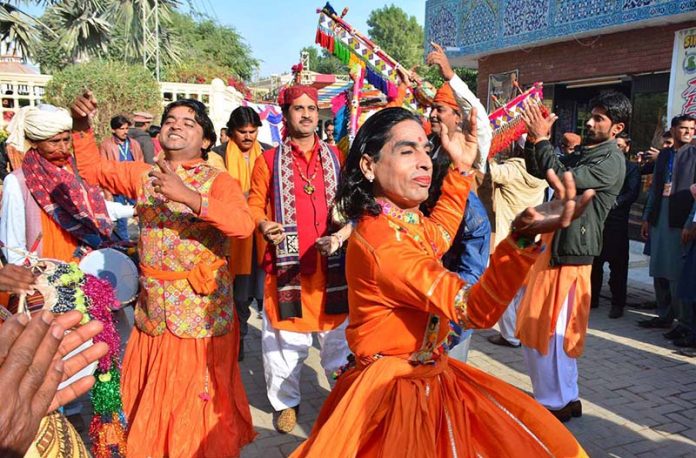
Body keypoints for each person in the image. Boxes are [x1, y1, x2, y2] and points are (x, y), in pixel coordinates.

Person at [290, 107, 591, 457]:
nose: (425, 161)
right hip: (397, 395)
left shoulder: (401, 221)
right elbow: (471, 309)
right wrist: (519, 241)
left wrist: (461, 170)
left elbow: (441, 232)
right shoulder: (385, 245)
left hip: (426, 378)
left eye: (424, 148)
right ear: (369, 166)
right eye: (406, 151)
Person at [71, 92, 256, 457]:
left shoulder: (218, 182)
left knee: (194, 402)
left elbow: (243, 225)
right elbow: (91, 171)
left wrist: (191, 197)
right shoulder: (144, 176)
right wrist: (81, 126)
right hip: (154, 311)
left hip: (200, 315)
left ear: (205, 141)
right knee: (151, 399)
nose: (177, 125)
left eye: (189, 123)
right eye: (171, 120)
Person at [516, 91, 628, 422]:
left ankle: (557, 402)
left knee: (552, 327)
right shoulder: (587, 153)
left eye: (599, 118)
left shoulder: (609, 161)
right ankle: (564, 396)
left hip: (571, 251)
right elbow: (541, 170)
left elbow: (562, 180)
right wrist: (532, 139)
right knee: (547, 324)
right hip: (557, 244)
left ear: (617, 128)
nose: (590, 122)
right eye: (590, 115)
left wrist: (542, 140)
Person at [248, 85, 349, 434]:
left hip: (332, 266)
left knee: (339, 341)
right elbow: (254, 204)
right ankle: (285, 404)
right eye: (298, 108)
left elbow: (353, 202)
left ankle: (343, 397)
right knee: (283, 346)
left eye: (311, 108)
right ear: (286, 114)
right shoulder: (268, 161)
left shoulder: (337, 157)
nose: (306, 114)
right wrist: (263, 224)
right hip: (288, 268)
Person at [422, 43, 493, 361]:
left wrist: (450, 75)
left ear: (460, 117)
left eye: (441, 109)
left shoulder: (472, 143)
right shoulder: (431, 146)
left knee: (449, 358)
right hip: (434, 256)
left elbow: (479, 116)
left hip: (463, 252)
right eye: (432, 108)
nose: (433, 113)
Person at [0, 105, 114, 266]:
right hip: (45, 272)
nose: (63, 148)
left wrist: (132, 210)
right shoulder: (17, 181)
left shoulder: (74, 170)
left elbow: (93, 206)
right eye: (54, 142)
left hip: (86, 264)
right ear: (34, 142)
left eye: (66, 140)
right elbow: (13, 246)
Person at [215, 106, 271, 361]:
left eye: (252, 131)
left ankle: (272, 351)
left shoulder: (269, 154)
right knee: (237, 298)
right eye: (242, 132)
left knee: (265, 295)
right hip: (233, 240)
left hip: (263, 237)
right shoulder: (218, 157)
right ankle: (238, 341)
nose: (248, 137)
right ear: (230, 132)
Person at [638, 115, 696, 344]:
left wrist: (691, 223)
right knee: (658, 267)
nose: (688, 132)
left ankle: (684, 323)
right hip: (660, 214)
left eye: (691, 129)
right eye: (683, 128)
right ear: (673, 130)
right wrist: (646, 217)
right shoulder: (664, 155)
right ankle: (664, 315)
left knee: (676, 273)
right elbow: (654, 189)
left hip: (680, 219)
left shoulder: (694, 155)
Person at [486, 140, 548, 348]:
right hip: (532, 237)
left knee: (506, 290)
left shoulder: (513, 168)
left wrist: (487, 151)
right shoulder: (541, 172)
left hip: (511, 238)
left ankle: (510, 336)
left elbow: (487, 172)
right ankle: (520, 331)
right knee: (522, 290)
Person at [590, 131, 640, 318]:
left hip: (617, 221)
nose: (617, 149)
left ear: (627, 148)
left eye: (620, 146)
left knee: (618, 266)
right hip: (598, 220)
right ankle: (592, 298)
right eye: (614, 145)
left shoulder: (631, 168)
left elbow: (632, 192)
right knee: (595, 262)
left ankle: (618, 303)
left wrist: (613, 202)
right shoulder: (601, 164)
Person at [100, 115, 144, 241]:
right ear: (114, 130)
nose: (125, 132)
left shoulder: (134, 144)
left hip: (132, 184)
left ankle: (144, 239)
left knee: (141, 212)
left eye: (126, 128)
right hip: (117, 185)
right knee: (121, 217)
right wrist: (107, 191)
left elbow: (141, 162)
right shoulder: (106, 145)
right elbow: (103, 169)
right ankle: (123, 243)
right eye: (121, 129)